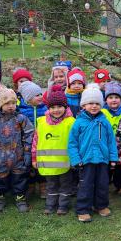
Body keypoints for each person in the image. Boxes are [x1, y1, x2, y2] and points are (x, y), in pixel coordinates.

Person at [67, 85, 119, 223]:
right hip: (86, 160)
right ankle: (83, 209)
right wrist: (76, 159)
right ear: (84, 105)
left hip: (102, 160)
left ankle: (100, 206)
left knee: (102, 184)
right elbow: (72, 144)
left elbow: (111, 141)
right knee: (86, 185)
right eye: (90, 103)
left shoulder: (104, 121)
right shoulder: (78, 123)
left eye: (97, 103)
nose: (94, 106)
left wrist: (113, 157)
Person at [0, 88, 34, 213]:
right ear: (1, 104)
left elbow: (29, 134)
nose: (11, 106)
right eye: (7, 103)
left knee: (20, 178)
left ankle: (20, 198)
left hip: (17, 154)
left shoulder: (21, 118)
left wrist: (28, 152)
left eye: (13, 103)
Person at [32, 85, 75, 215]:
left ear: (65, 107)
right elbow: (36, 142)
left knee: (65, 185)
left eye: (59, 106)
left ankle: (63, 206)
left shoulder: (71, 122)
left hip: (65, 162)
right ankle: (50, 205)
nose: (56, 110)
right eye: (52, 107)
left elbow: (75, 142)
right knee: (51, 185)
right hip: (48, 163)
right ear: (48, 108)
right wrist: (34, 158)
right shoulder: (42, 122)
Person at [101, 81, 121, 195]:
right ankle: (104, 185)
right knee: (105, 168)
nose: (113, 100)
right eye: (110, 97)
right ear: (106, 100)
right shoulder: (102, 112)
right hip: (106, 145)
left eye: (116, 97)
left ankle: (120, 186)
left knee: (120, 168)